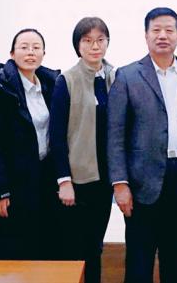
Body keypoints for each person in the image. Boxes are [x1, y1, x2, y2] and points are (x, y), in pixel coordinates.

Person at [109, 7, 177, 283]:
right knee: (139, 262)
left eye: (169, 30)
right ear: (146, 35)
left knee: (176, 260)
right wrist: (119, 183)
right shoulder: (127, 76)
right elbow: (115, 134)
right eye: (156, 30)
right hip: (141, 182)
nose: (162, 35)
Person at [0, 28, 61, 260]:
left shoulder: (51, 85)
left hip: (43, 178)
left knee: (43, 245)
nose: (30, 53)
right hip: (13, 182)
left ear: (44, 53)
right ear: (12, 53)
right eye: (24, 47)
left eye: (36, 48)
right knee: (15, 248)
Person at [50, 17, 116, 283]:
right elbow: (56, 135)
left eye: (100, 40)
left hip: (106, 178)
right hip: (77, 179)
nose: (94, 46)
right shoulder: (67, 80)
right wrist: (64, 180)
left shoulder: (116, 77)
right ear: (77, 45)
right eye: (87, 41)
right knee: (73, 249)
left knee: (95, 247)